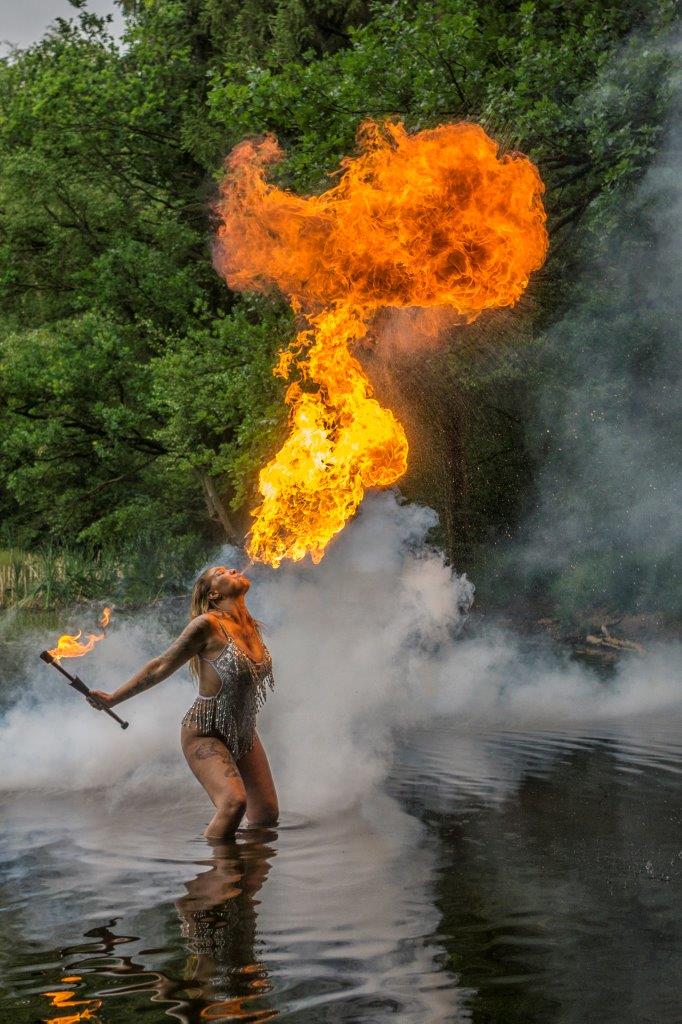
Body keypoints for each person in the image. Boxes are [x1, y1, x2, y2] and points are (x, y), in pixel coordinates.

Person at [89, 566, 279, 837]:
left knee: (266, 816)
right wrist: (113, 699)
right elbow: (160, 666)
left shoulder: (251, 625)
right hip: (205, 732)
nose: (234, 569)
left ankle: (248, 877)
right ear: (213, 593)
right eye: (221, 572)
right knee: (233, 803)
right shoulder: (206, 625)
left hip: (243, 730)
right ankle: (216, 874)